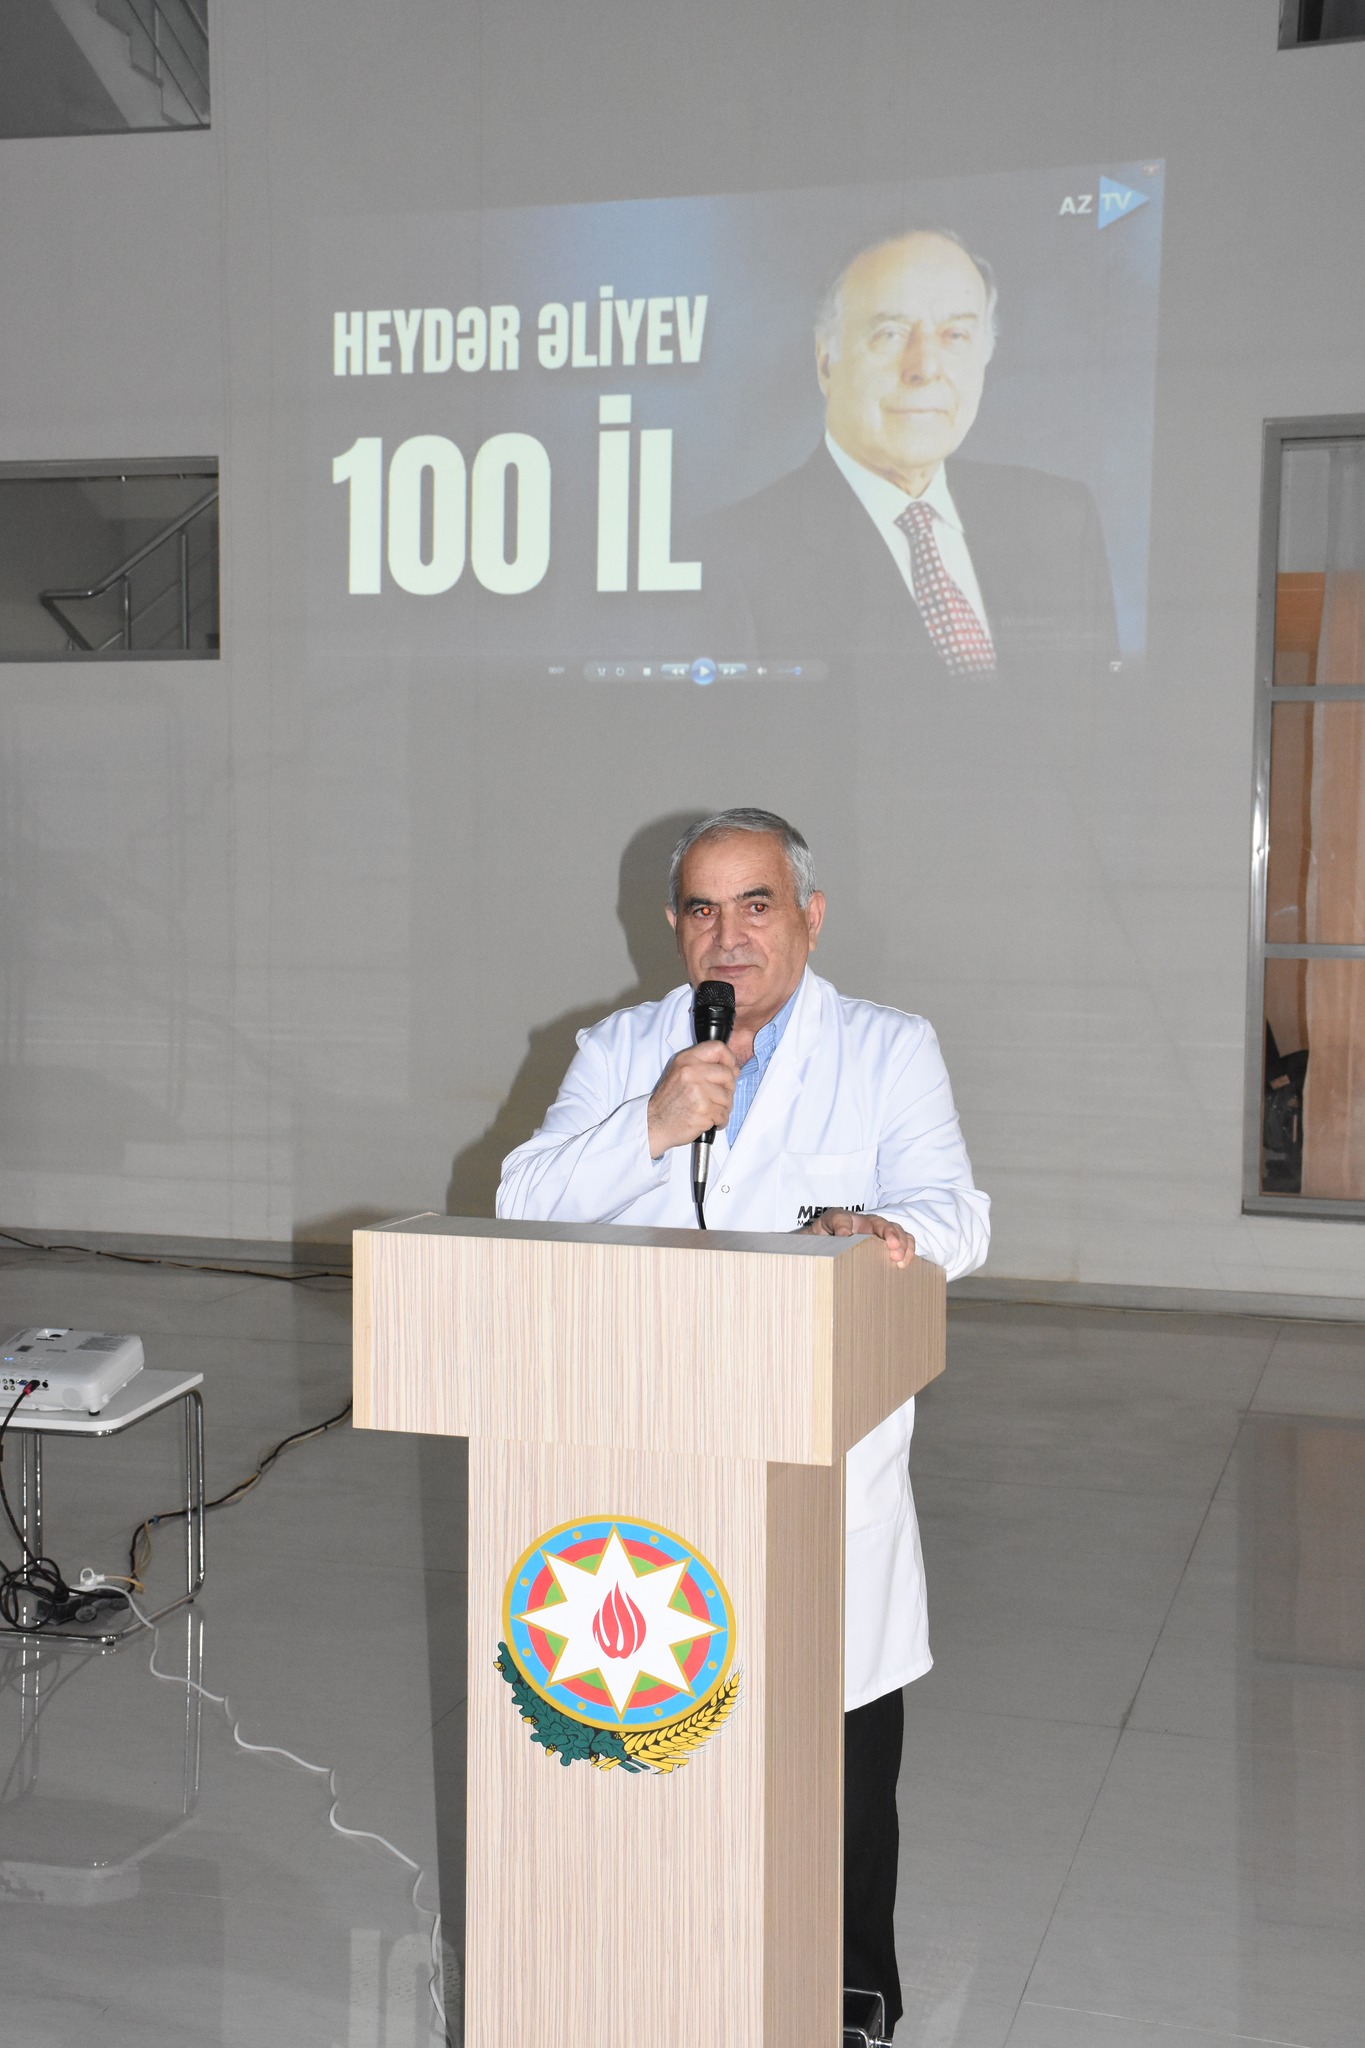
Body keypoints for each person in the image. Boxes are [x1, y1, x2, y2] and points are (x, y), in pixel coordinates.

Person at [497, 806, 990, 2038]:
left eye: (757, 904)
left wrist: (882, 1230)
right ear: (674, 927)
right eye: (704, 909)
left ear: (809, 916)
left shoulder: (887, 1046)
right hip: (642, 1452)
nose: (731, 935)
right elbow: (521, 1200)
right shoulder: (621, 1049)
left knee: (835, 1750)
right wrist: (653, 1124)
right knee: (660, 1728)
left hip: (818, 1456)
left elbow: (958, 1211)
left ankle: (850, 1992)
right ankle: (651, 1973)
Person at [707, 229, 1119, 678]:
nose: (924, 366)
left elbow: (1103, 713)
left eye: (955, 334)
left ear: (985, 355)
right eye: (890, 334)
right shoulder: (731, 557)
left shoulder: (1061, 519)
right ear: (827, 363)